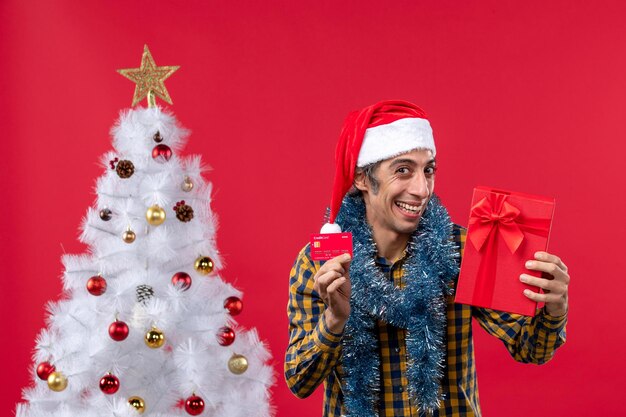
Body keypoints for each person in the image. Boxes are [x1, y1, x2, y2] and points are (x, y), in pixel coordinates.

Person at [284, 100, 569, 417]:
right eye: (403, 170)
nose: (422, 189)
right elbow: (299, 381)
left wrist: (554, 308)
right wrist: (335, 319)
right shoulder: (320, 262)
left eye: (428, 170)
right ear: (363, 179)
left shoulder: (463, 248)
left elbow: (531, 348)